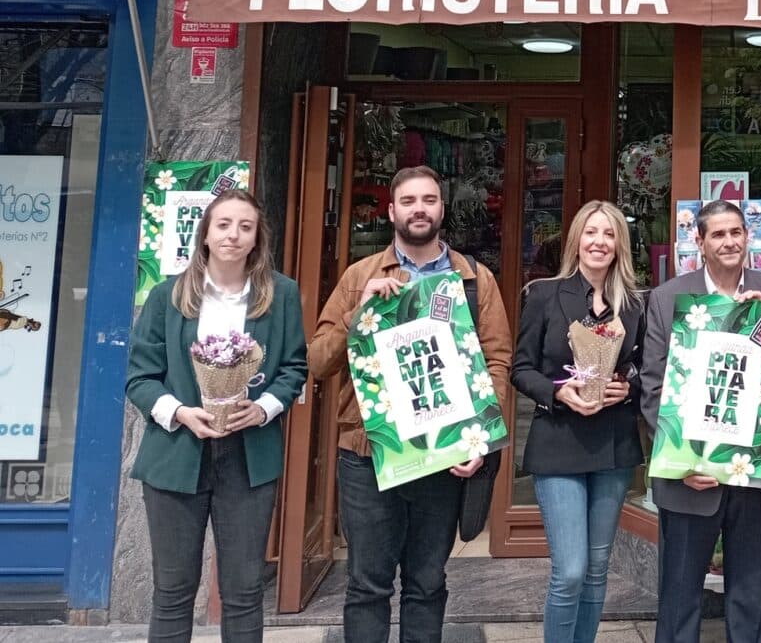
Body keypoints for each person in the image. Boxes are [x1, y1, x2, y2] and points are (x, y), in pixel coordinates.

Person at [309, 165, 512, 643]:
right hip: (367, 456)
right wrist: (360, 316)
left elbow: (497, 363)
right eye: (408, 201)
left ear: (441, 209)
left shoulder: (474, 280)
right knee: (366, 584)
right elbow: (318, 362)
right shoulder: (360, 277)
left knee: (427, 582)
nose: (419, 209)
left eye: (428, 200)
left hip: (442, 457)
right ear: (392, 210)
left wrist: (480, 439)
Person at [126, 190, 308, 643]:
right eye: (224, 224)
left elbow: (294, 368)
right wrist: (181, 412)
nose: (234, 234)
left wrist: (264, 408)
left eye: (245, 227)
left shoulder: (280, 294)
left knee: (244, 590)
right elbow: (140, 377)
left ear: (256, 239)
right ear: (205, 233)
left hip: (249, 458)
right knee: (173, 590)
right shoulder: (168, 294)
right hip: (176, 454)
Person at [641, 199, 761, 643]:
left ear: (748, 238)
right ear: (699, 243)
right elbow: (654, 390)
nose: (729, 242)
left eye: (736, 232)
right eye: (717, 235)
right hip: (692, 474)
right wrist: (686, 462)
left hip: (758, 470)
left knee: (750, 595)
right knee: (680, 594)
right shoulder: (668, 299)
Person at [513, 201, 647, 643]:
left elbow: (648, 369)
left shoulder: (635, 304)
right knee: (569, 571)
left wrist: (628, 386)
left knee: (595, 571)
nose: (599, 242)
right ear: (576, 239)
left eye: (609, 235)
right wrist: (556, 392)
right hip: (560, 444)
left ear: (619, 245)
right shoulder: (544, 295)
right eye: (591, 233)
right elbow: (521, 368)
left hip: (612, 447)